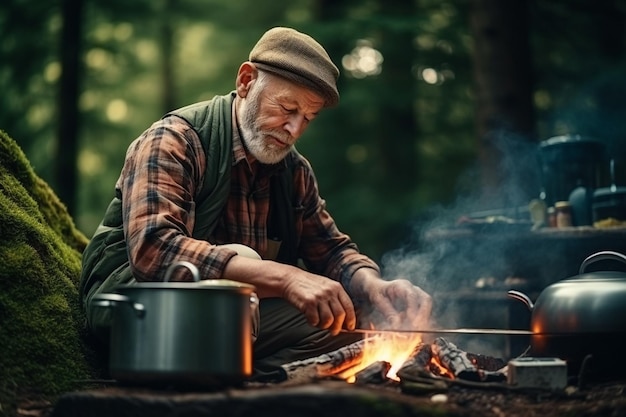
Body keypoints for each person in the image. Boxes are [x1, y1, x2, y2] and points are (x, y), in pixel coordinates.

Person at [79, 26, 432, 381]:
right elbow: (153, 248)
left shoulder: (293, 171)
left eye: (308, 118)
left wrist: (375, 286)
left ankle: (244, 377)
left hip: (235, 315)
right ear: (246, 81)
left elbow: (331, 251)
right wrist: (285, 278)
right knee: (287, 294)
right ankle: (239, 374)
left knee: (359, 321)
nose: (293, 129)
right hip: (141, 309)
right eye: (287, 108)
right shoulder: (174, 140)